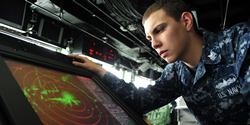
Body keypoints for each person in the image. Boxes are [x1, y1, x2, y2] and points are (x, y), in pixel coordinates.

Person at [68, 0, 250, 124]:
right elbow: (140, 101)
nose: (154, 44)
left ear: (186, 21)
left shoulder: (238, 41)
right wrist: (101, 72)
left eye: (159, 30)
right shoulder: (176, 73)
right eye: (149, 38)